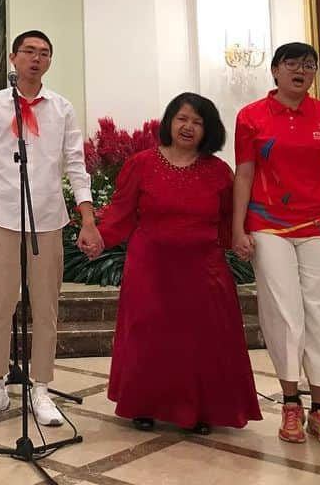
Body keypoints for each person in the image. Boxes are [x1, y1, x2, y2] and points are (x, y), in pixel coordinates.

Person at [82, 93, 261, 433]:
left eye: (197, 121)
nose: (188, 127)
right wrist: (98, 238)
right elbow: (120, 212)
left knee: (201, 339)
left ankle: (199, 409)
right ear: (169, 122)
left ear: (208, 130)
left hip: (203, 268)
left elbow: (228, 220)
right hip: (151, 266)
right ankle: (144, 405)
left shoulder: (219, 172)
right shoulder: (142, 163)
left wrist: (240, 240)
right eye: (182, 118)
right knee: (149, 335)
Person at [232, 42, 320, 447]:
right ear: (275, 70)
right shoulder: (251, 117)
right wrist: (237, 228)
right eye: (291, 64)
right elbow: (243, 175)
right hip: (267, 224)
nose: (301, 70)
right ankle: (291, 403)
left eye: (308, 65)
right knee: (283, 311)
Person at [0, 30, 101, 426]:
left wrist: (88, 216)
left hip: (46, 218)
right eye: (28, 51)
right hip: (3, 218)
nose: (36, 58)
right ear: (13, 58)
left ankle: (41, 388)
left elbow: (76, 164)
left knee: (46, 308)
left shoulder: (61, 108)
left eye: (44, 53)